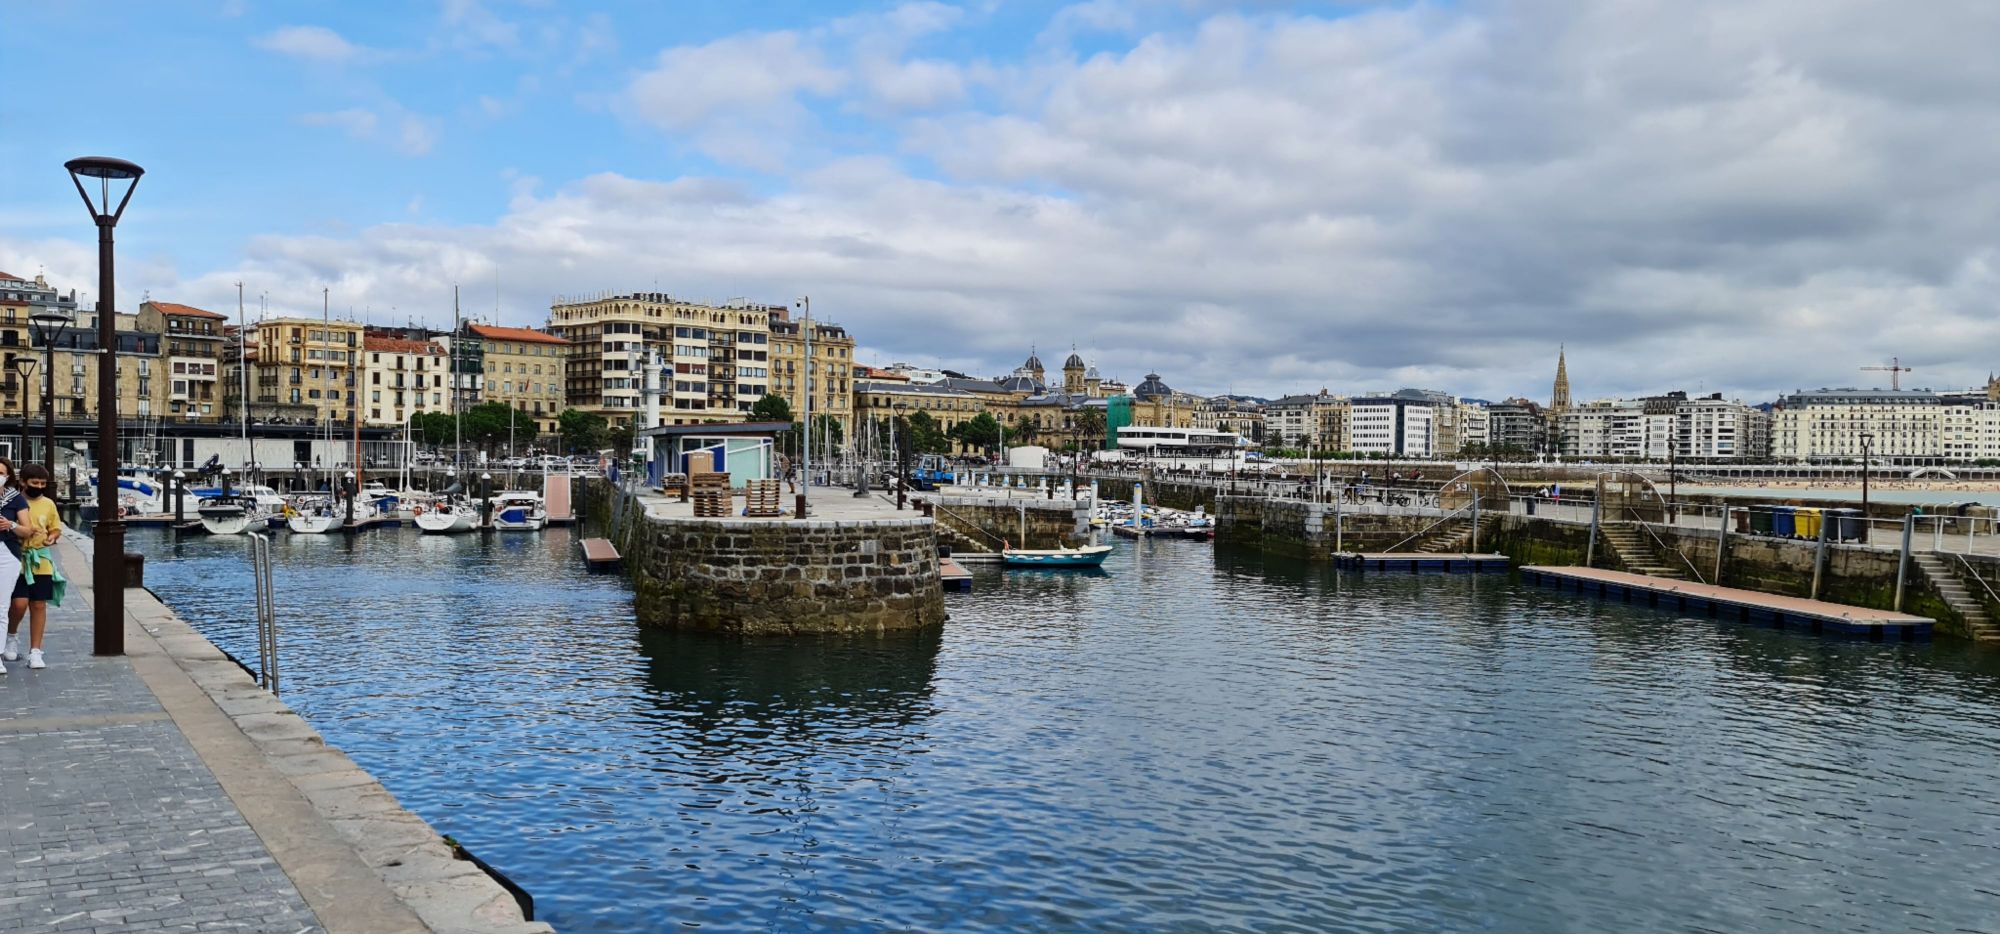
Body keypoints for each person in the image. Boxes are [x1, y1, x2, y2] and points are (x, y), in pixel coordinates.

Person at [7, 465, 63, 671]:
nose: (39, 487)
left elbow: (55, 528)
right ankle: (11, 635)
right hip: (18, 558)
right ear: (23, 482)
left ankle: (35, 651)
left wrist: (52, 537)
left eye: (42, 484)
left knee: (39, 604)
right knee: (19, 603)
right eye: (34, 483)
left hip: (41, 558)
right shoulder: (13, 501)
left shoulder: (48, 504)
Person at [0, 461, 20, 674]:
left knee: (1, 606)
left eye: (1, 473)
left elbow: (28, 529)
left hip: (7, 553)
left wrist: (11, 525)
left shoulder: (15, 499)